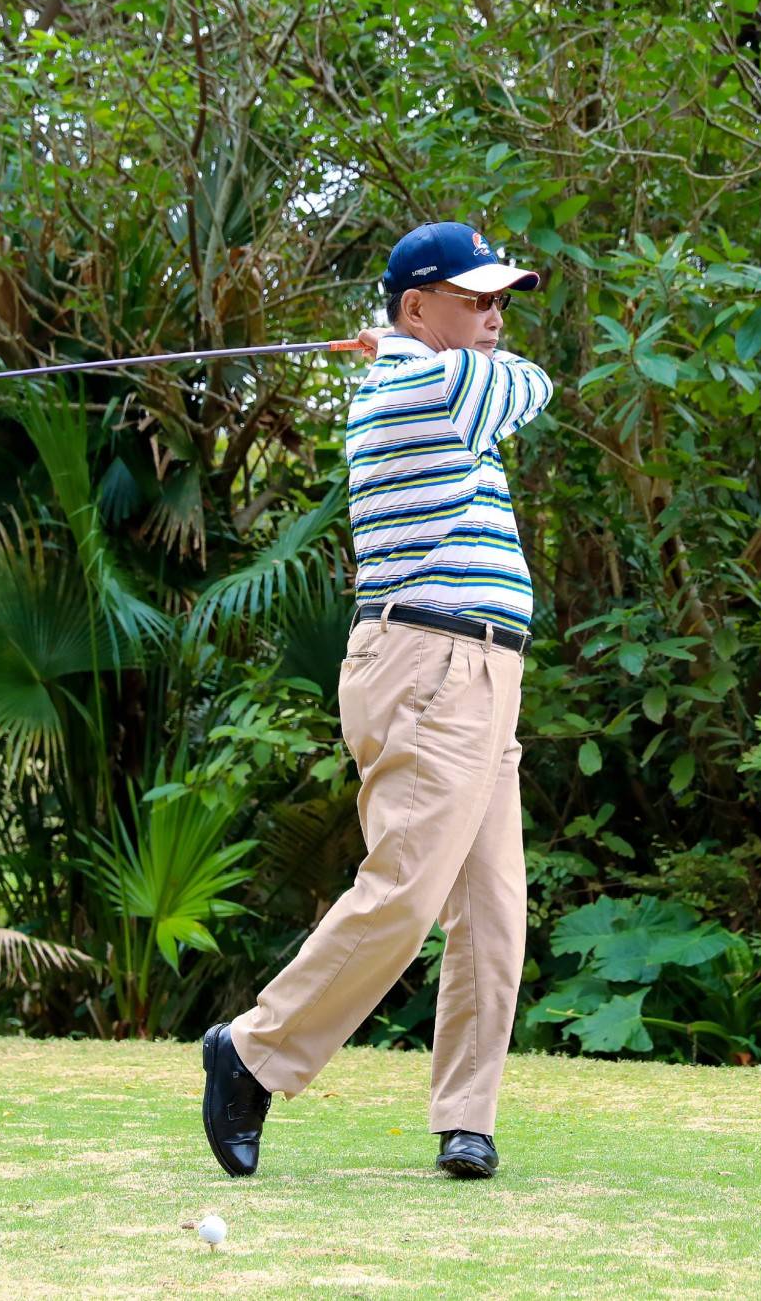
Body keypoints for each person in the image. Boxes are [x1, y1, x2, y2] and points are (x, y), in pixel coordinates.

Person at [201, 222, 554, 1180]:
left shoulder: (424, 377)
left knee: (493, 911)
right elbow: (534, 385)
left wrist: (407, 348)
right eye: (477, 299)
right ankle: (254, 1051)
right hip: (433, 663)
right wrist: (410, 355)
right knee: (406, 889)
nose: (496, 315)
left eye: (501, 299)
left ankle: (467, 1115)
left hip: (483, 670)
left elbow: (486, 373)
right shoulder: (433, 384)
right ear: (416, 307)